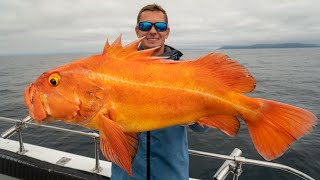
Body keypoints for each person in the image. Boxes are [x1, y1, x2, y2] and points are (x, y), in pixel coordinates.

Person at [111, 4, 208, 180]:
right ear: (137, 31)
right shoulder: (115, 70)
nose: (153, 31)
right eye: (146, 26)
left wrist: (193, 117)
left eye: (160, 26)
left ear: (167, 31)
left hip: (171, 175)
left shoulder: (186, 72)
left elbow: (203, 128)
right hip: (126, 176)